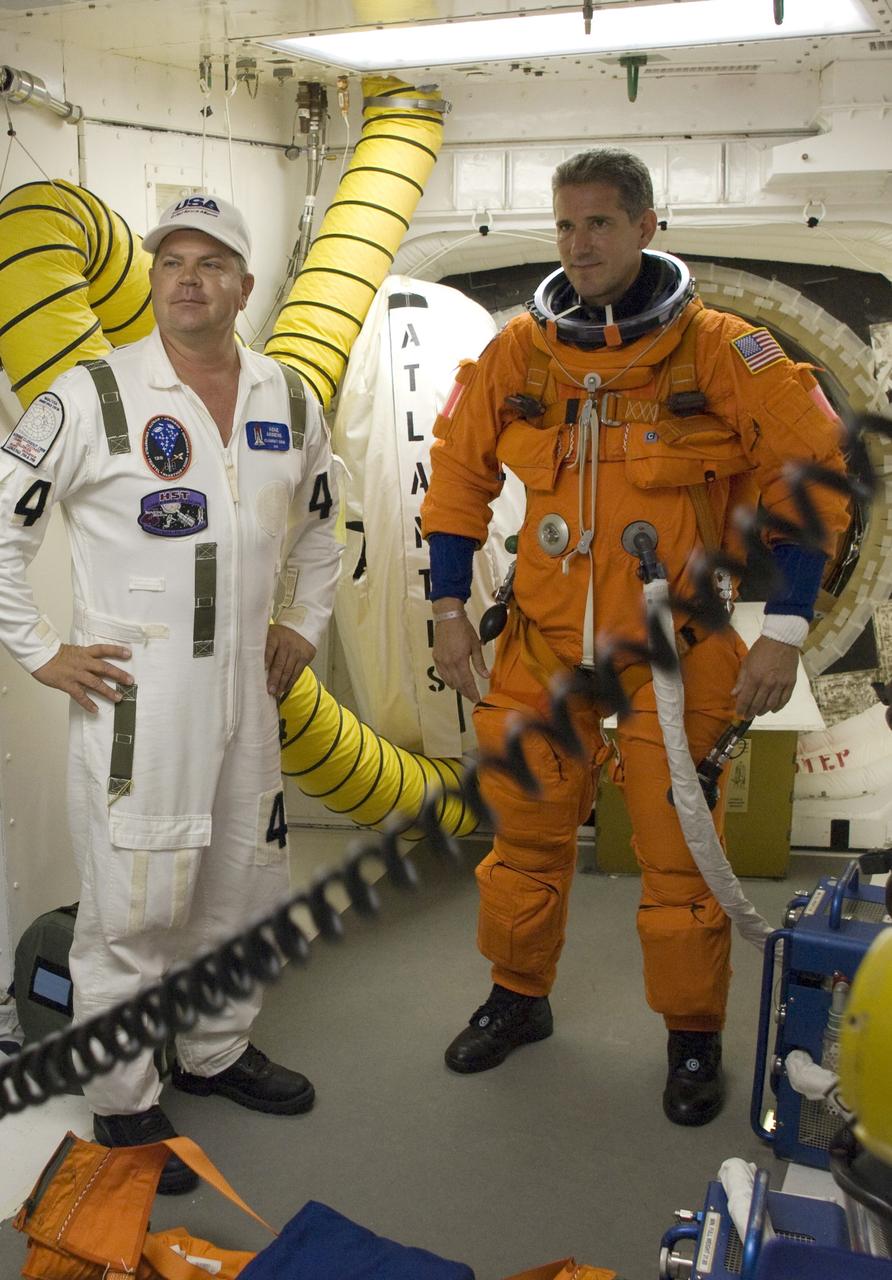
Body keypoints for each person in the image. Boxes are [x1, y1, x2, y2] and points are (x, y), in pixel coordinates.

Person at [420, 148, 850, 1126]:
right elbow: (457, 479)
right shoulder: (517, 353)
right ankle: (517, 997)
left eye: (601, 223)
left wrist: (782, 629)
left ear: (647, 225)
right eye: (566, 225)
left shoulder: (723, 354)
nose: (580, 243)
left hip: (675, 645)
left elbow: (813, 476)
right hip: (540, 643)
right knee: (523, 839)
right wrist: (448, 605)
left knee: (680, 855)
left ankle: (692, 1035)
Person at [0, 194, 342, 1191]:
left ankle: (217, 1050)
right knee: (136, 905)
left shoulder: (290, 398)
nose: (186, 276)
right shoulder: (90, 398)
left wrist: (304, 622)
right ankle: (123, 1100)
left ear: (243, 284)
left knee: (238, 884)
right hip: (140, 703)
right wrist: (39, 649)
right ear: (153, 279)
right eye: (170, 260)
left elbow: (324, 523)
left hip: (249, 690)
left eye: (210, 261)